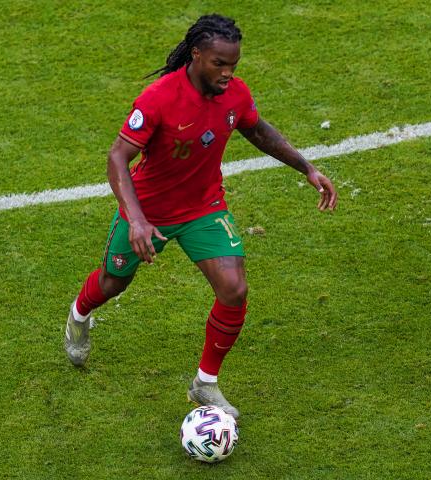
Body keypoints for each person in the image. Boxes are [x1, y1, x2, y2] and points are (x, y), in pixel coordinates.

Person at [64, 14, 337, 419]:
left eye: (233, 65)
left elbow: (258, 131)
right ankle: (79, 315)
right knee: (113, 281)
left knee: (234, 289)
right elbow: (117, 157)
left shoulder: (235, 94)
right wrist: (136, 220)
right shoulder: (158, 98)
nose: (228, 73)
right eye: (219, 64)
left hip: (203, 208)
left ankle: (205, 383)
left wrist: (307, 168)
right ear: (196, 55)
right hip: (149, 210)